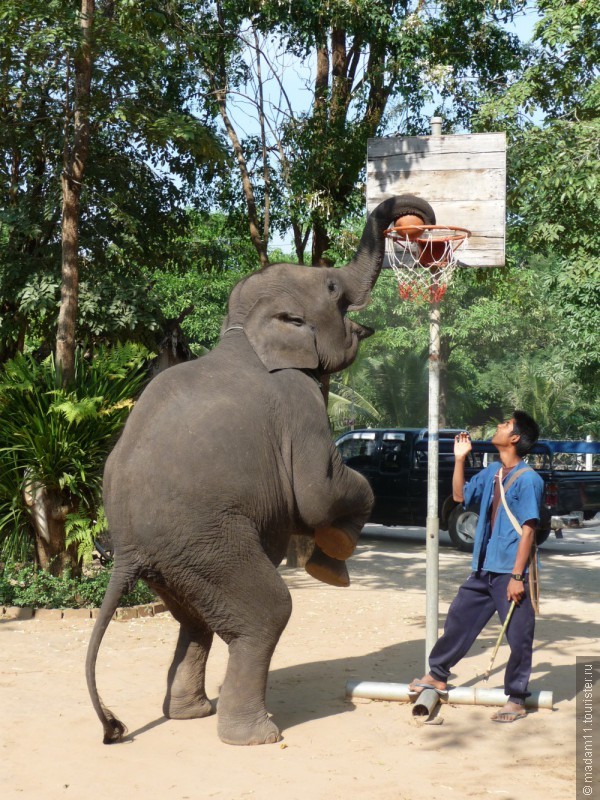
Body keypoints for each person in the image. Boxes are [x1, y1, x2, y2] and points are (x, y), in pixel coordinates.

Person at [409, 411, 544, 723]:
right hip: (483, 568)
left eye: (506, 425)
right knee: (459, 618)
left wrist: (516, 576)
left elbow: (528, 530)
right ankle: (438, 675)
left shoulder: (529, 480)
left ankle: (517, 698)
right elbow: (459, 495)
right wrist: (460, 460)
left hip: (510, 572)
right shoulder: (493, 472)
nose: (499, 426)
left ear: (514, 438)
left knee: (519, 636)